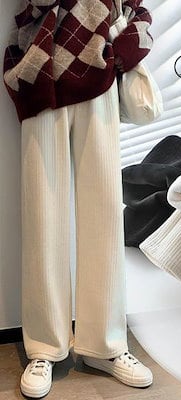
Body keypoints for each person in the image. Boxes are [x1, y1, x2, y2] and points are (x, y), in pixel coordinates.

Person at [3, 0, 154, 397]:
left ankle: (105, 345)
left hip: (98, 77)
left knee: (105, 212)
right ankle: (45, 348)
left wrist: (122, 53)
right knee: (43, 216)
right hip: (41, 74)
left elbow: (137, 9)